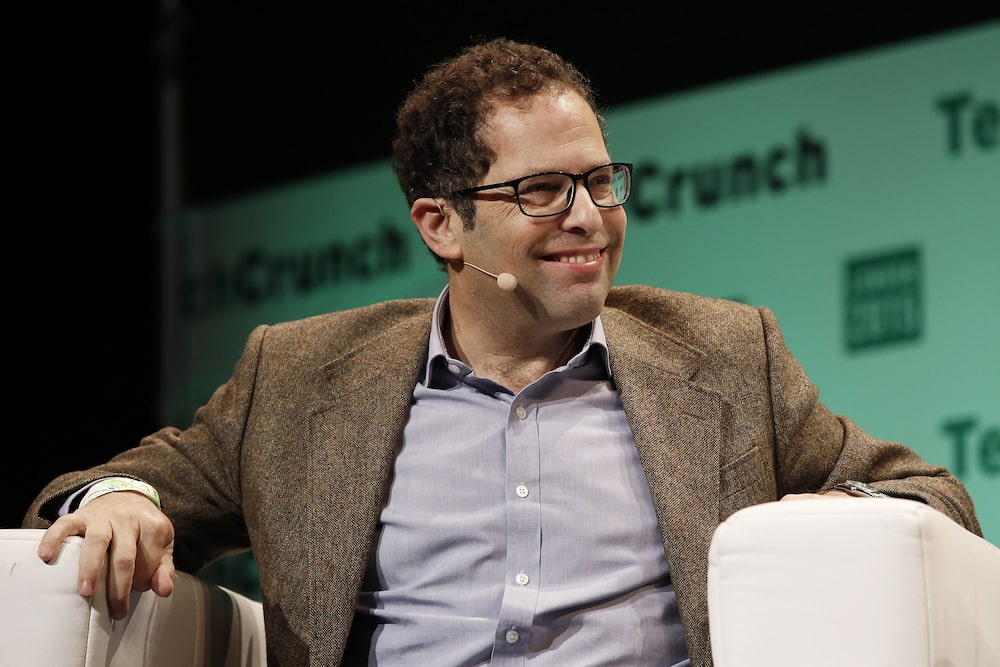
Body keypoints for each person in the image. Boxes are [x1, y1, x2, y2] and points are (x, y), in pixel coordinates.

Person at [25, 37, 981, 667]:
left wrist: (828, 513)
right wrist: (118, 499)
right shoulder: (301, 374)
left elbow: (932, 493)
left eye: (601, 180)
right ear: (442, 225)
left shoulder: (726, 354)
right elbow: (123, 483)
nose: (590, 218)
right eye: (541, 192)